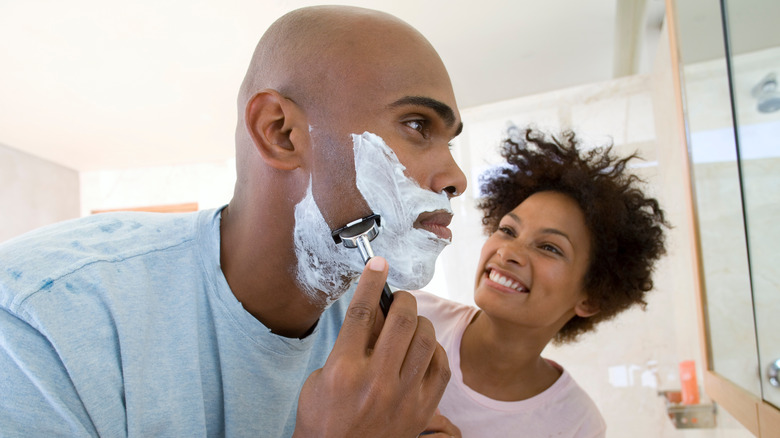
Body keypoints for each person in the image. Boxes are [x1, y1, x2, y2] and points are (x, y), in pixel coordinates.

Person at [0, 6, 467, 437]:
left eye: (449, 141)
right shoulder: (42, 318)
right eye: (417, 124)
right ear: (280, 133)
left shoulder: (375, 331)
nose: (457, 177)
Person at [413, 125, 669, 437]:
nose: (509, 252)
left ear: (590, 297)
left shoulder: (577, 425)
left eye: (549, 247)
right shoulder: (410, 317)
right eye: (507, 230)